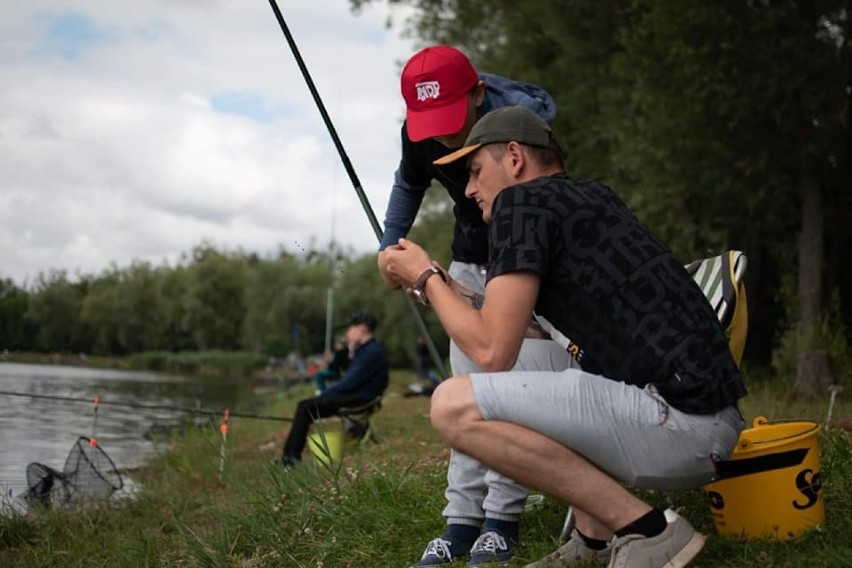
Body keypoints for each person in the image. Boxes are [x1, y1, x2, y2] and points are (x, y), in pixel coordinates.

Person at [383, 106, 747, 568]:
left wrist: (425, 276)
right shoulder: (590, 198)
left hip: (680, 424)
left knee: (452, 405)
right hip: (710, 421)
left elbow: (492, 350)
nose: (470, 190)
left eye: (475, 171)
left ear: (514, 158)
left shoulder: (521, 204)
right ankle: (592, 541)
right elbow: (512, 325)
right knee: (535, 364)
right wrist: (444, 286)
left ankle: (648, 530)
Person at [377, 45, 561, 566]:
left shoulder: (523, 124)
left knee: (508, 390)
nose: (443, 136)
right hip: (467, 260)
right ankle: (461, 520)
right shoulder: (421, 134)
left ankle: (503, 519)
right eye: (430, 124)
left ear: (480, 93)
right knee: (464, 391)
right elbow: (408, 182)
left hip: (521, 263)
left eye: (453, 121)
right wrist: (391, 246)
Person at [279, 310, 388, 467]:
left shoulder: (371, 352)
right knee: (306, 407)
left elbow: (349, 383)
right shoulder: (366, 350)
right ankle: (289, 457)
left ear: (362, 329)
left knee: (305, 407)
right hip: (359, 394)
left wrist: (324, 395)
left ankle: (290, 459)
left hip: (361, 397)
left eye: (350, 328)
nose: (348, 333)